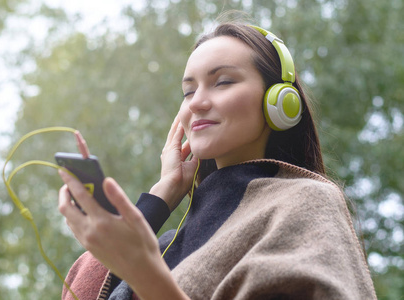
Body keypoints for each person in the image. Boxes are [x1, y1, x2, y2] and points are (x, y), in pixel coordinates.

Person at [57, 21, 377, 300]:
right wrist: (160, 198)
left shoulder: (306, 203)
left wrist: (144, 273)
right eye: (187, 91)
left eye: (222, 82)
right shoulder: (168, 241)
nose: (196, 103)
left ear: (280, 101)